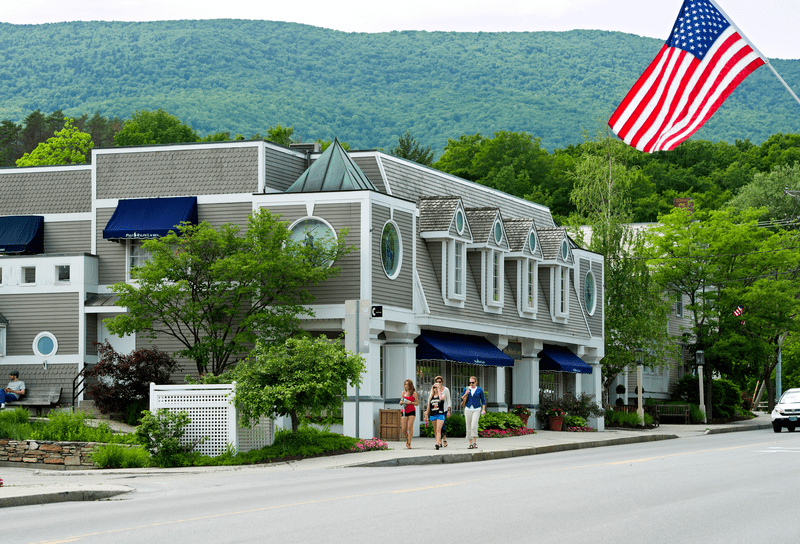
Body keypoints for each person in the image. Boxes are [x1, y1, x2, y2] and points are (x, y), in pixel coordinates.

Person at [462, 375, 486, 449]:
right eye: (470, 382)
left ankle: (475, 442)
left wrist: (483, 409)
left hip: (476, 409)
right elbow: (462, 398)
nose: (471, 384)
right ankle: (470, 443)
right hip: (468, 409)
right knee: (468, 426)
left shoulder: (479, 390)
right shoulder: (466, 389)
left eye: (473, 382)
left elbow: (483, 400)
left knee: (474, 425)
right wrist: (466, 393)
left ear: (476, 382)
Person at [427, 375, 451, 447]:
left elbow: (448, 400)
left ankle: (444, 439)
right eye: (437, 382)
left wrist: (449, 411)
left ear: (442, 382)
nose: (438, 383)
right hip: (434, 411)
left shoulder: (445, 390)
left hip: (444, 409)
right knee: (437, 428)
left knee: (441, 426)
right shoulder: (433, 390)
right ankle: (439, 441)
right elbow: (429, 401)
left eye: (439, 382)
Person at [425, 382, 447, 450]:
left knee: (438, 429)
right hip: (433, 414)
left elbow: (441, 399)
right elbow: (429, 407)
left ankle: (437, 443)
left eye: (436, 387)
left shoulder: (442, 395)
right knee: (435, 430)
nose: (435, 388)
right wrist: (426, 414)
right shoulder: (431, 397)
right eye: (434, 387)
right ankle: (438, 442)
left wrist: (438, 391)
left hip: (440, 414)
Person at [399, 379, 419, 449]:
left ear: (410, 385)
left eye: (407, 384)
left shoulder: (414, 393)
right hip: (404, 411)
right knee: (403, 428)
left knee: (410, 427)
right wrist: (401, 402)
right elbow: (401, 401)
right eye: (405, 384)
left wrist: (411, 402)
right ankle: (407, 439)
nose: (406, 386)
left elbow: (417, 403)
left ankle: (409, 442)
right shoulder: (403, 393)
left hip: (411, 411)